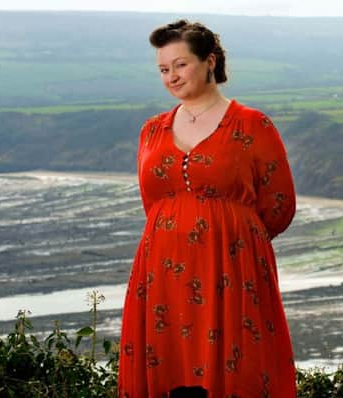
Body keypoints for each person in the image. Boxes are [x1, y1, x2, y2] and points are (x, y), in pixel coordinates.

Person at [117, 19, 297, 398]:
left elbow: (280, 204)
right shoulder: (151, 130)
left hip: (233, 268)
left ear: (210, 61)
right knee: (170, 374)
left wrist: (231, 234)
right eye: (163, 69)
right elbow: (154, 203)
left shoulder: (253, 124)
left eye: (180, 65)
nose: (171, 77)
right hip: (162, 270)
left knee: (238, 371)